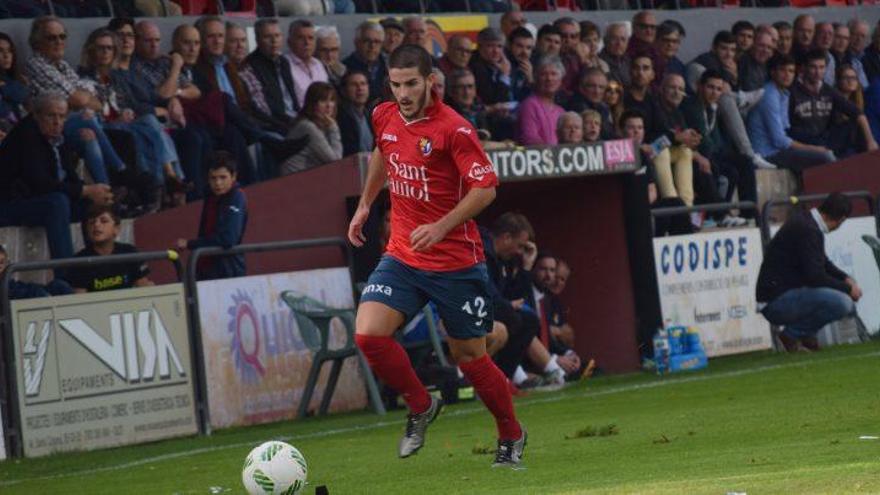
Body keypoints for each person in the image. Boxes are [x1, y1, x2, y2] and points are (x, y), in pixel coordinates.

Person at [347, 44, 526, 468]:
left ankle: (510, 432)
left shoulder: (454, 129)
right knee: (368, 335)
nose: (404, 92)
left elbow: (486, 189)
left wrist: (443, 225)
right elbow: (383, 152)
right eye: (396, 84)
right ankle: (420, 404)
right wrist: (366, 204)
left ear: (430, 81)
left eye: (411, 83)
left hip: (455, 263)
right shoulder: (384, 114)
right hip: (404, 255)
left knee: (470, 357)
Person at [0, 92, 113, 263]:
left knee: (90, 205)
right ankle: (66, 275)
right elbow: (39, 184)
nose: (57, 122)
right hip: (10, 205)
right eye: (51, 116)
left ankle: (95, 268)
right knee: (57, 203)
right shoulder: (26, 135)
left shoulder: (58, 136)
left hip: (38, 200)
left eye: (62, 116)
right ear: (36, 115)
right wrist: (84, 190)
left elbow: (70, 177)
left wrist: (92, 193)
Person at [757, 193, 859, 352]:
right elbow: (815, 276)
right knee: (842, 303)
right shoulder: (809, 230)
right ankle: (793, 334)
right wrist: (847, 289)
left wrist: (845, 278)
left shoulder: (805, 222)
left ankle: (806, 335)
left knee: (837, 296)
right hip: (775, 301)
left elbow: (823, 262)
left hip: (774, 295)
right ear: (841, 219)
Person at [747, 54, 835, 172]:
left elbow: (786, 129)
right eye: (783, 70)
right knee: (825, 156)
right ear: (773, 73)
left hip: (779, 150)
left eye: (791, 71)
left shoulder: (783, 93)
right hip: (767, 154)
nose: (787, 75)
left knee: (828, 151)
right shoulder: (769, 95)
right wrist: (813, 149)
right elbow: (779, 140)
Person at [788, 49, 877, 158]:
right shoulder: (792, 91)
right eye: (813, 67)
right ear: (804, 68)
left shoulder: (827, 90)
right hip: (802, 140)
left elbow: (858, 113)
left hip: (824, 139)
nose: (818, 72)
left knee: (855, 126)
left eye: (821, 67)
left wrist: (870, 141)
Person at [177, 151, 248, 280]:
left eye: (223, 177)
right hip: (206, 268)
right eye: (213, 178)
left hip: (228, 272)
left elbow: (229, 239)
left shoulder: (236, 197)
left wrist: (190, 244)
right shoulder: (210, 196)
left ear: (233, 177)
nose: (218, 183)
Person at [65, 205, 153, 292]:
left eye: (103, 221)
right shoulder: (79, 260)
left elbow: (143, 287)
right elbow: (79, 299)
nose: (96, 225)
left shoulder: (130, 252)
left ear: (117, 228)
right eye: (92, 222)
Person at [281, 81, 342, 175]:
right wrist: (334, 129)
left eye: (332, 100)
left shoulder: (322, 126)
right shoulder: (307, 126)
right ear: (312, 104)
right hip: (293, 181)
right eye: (323, 100)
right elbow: (335, 160)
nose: (329, 106)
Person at [517, 55, 565, 145]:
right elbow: (529, 139)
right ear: (536, 78)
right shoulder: (529, 105)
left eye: (553, 74)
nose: (549, 79)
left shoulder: (561, 111)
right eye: (543, 74)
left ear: (561, 80)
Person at [285, 20, 327, 110]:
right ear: (289, 42)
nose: (307, 43)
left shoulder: (318, 64)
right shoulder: (284, 65)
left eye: (310, 38)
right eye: (301, 38)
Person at [343, 21, 387, 102]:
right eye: (367, 41)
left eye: (377, 42)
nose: (372, 46)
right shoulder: (345, 68)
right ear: (356, 42)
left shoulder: (389, 66)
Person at [338, 70, 373, 157]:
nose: (360, 88)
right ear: (343, 90)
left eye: (363, 84)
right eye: (354, 85)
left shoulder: (371, 115)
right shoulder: (340, 117)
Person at [0, 33, 28, 131]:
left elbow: (23, 97)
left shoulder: (17, 80)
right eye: (0, 51)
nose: (6, 55)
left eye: (9, 51)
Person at [600, 22, 631, 88]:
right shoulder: (598, 63)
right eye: (614, 38)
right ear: (605, 40)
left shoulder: (630, 61)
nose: (619, 43)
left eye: (623, 39)